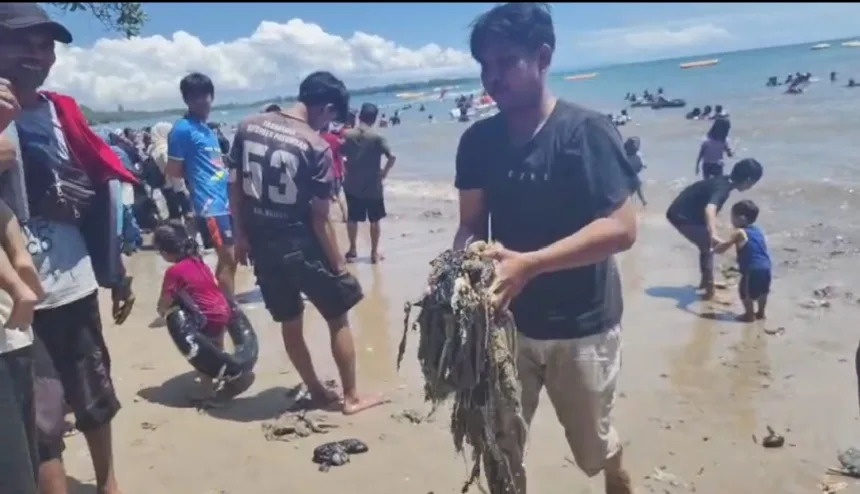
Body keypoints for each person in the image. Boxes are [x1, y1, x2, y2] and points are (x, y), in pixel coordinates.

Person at [453, 4, 639, 493]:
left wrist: (530, 265)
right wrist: (468, 264)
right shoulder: (476, 142)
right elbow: (469, 225)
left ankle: (615, 467)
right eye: (485, 67)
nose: (493, 78)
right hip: (504, 323)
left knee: (591, 451)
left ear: (543, 56)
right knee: (499, 445)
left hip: (581, 325)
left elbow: (621, 229)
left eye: (506, 62)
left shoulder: (586, 133)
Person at [0, 5, 139, 492]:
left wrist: (114, 268)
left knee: (94, 393)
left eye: (46, 45)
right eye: (23, 43)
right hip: (13, 300)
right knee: (41, 421)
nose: (37, 55)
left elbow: (103, 190)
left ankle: (109, 484)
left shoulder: (62, 111)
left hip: (73, 278)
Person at [228, 71, 386, 415]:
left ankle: (315, 389)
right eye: (332, 117)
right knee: (337, 316)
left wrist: (240, 235)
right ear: (327, 107)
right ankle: (351, 397)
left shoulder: (247, 126)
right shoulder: (315, 146)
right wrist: (339, 266)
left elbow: (235, 187)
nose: (329, 125)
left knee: (290, 319)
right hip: (300, 241)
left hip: (261, 242)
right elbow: (319, 218)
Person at [166, 72, 237, 297]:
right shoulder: (182, 129)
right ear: (186, 100)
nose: (203, 101)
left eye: (206, 95)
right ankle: (227, 308)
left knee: (232, 257)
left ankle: (219, 301)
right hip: (209, 205)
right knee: (228, 257)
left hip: (225, 200)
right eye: (195, 97)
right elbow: (173, 170)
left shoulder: (207, 129)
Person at [666, 158, 763, 299]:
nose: (752, 186)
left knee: (705, 246)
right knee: (708, 245)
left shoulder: (724, 181)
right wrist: (713, 233)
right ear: (748, 180)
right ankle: (709, 288)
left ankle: (705, 282)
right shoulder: (723, 188)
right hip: (680, 215)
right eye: (753, 183)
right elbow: (710, 209)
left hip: (684, 212)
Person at [154, 221, 230, 399]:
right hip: (222, 309)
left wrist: (162, 311)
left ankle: (207, 393)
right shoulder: (198, 260)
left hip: (206, 317)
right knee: (217, 347)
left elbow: (166, 299)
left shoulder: (174, 271)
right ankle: (225, 376)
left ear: (165, 253)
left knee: (204, 357)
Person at [341, 103, 396, 263]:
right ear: (375, 118)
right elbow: (392, 157)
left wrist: (345, 168)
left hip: (352, 184)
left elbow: (339, 154)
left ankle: (352, 250)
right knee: (374, 220)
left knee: (352, 218)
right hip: (373, 186)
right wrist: (384, 173)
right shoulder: (377, 137)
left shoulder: (348, 135)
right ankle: (373, 253)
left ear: (360, 116)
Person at [713, 200, 771, 322]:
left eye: (732, 217)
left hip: (752, 268)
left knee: (745, 293)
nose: (731, 220)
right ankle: (761, 313)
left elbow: (724, 247)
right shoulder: (758, 231)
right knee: (763, 292)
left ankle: (749, 315)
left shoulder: (739, 232)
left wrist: (712, 249)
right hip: (766, 266)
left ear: (741, 218)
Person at [320, 121, 348, 222]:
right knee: (340, 194)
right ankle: (346, 216)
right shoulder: (335, 139)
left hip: (323, 173)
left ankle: (327, 219)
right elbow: (342, 154)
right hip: (336, 171)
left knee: (325, 197)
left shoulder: (317, 139)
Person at [624, 137, 647, 206]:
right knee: (636, 188)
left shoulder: (636, 155)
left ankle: (643, 201)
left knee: (635, 189)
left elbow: (643, 165)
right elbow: (643, 165)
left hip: (630, 176)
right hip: (631, 176)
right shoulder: (636, 155)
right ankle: (643, 201)